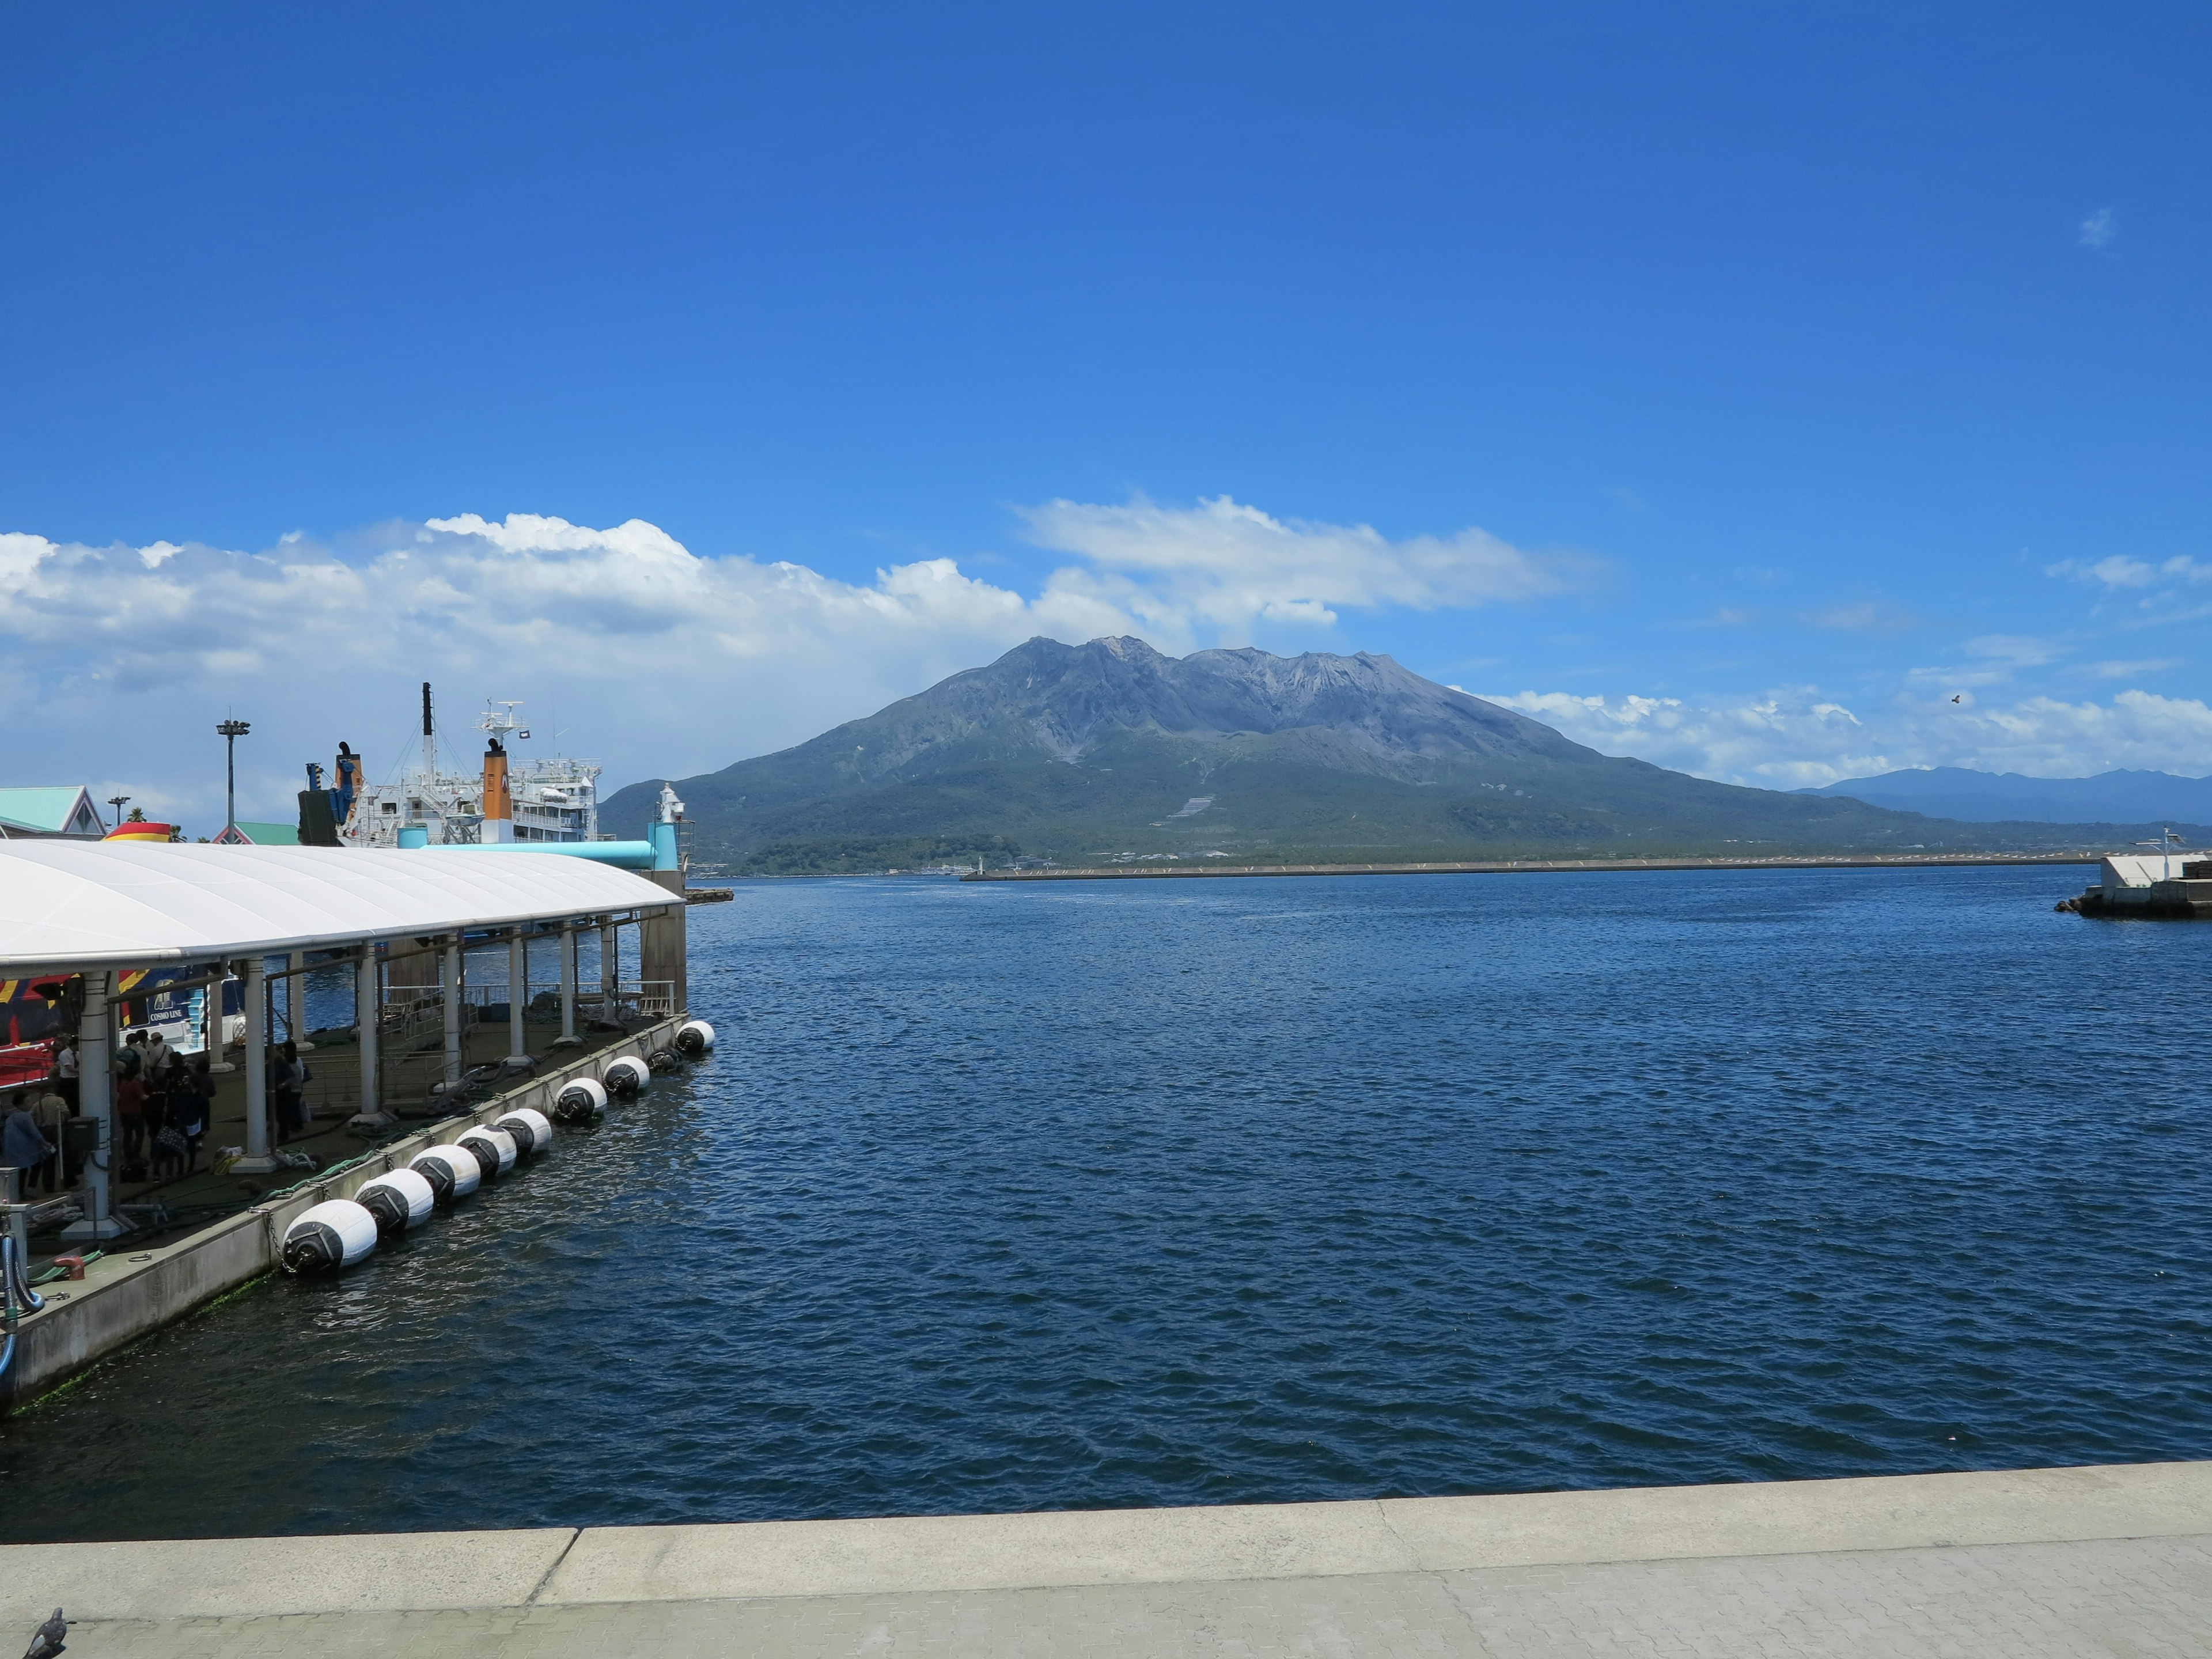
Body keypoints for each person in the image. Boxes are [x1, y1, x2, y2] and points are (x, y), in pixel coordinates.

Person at [3, 1092, 48, 1191]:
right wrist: (45, 1143)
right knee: (36, 1164)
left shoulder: (10, 1118)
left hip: (11, 1149)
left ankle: (20, 1192)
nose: (30, 1104)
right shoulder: (26, 1116)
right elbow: (34, 1132)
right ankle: (30, 1188)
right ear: (20, 1105)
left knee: (20, 1171)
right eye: (27, 1102)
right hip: (25, 1149)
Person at [31, 1087, 70, 1193]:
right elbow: (66, 1113)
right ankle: (66, 1182)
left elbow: (32, 1117)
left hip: (44, 1132)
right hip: (58, 1130)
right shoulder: (59, 1100)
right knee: (63, 1158)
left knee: (48, 1162)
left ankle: (48, 1187)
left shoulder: (37, 1104)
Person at [52, 1036, 79, 1112]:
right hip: (67, 1080)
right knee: (69, 1099)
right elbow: (70, 1068)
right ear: (75, 1044)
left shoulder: (78, 1054)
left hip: (76, 1079)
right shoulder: (64, 1054)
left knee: (76, 1099)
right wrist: (82, 1071)